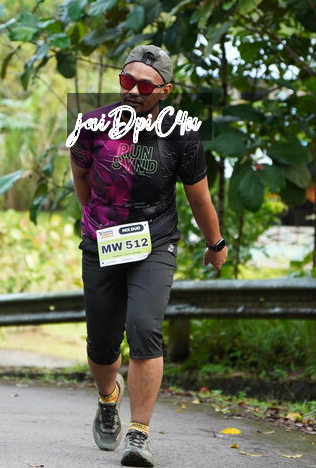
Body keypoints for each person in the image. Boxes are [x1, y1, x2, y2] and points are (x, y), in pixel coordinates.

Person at [69, 45, 227, 467]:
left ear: (165, 91)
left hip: (155, 241)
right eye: (127, 81)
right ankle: (108, 399)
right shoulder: (92, 126)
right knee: (102, 342)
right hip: (102, 242)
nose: (133, 91)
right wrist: (96, 221)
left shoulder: (182, 136)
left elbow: (198, 198)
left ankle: (138, 434)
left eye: (144, 85)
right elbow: (81, 176)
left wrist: (215, 244)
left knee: (143, 328)